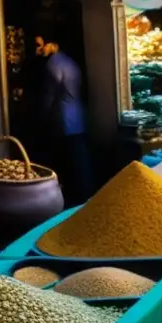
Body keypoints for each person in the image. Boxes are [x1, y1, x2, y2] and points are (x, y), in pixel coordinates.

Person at [36, 31, 94, 205]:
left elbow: (49, 97)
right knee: (81, 160)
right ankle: (86, 196)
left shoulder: (52, 65)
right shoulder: (70, 62)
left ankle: (73, 200)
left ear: (52, 44)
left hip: (63, 120)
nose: (39, 50)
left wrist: (41, 114)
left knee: (68, 161)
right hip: (78, 117)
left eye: (40, 45)